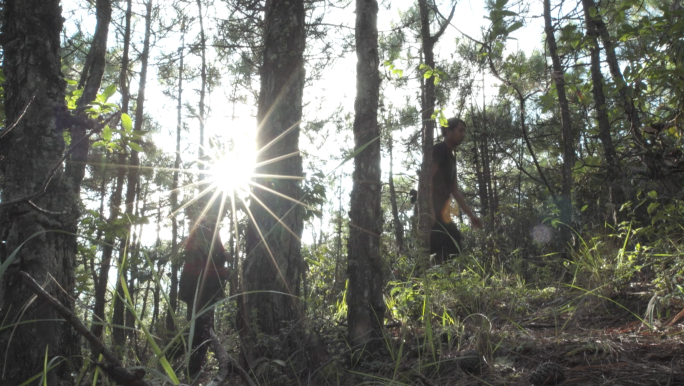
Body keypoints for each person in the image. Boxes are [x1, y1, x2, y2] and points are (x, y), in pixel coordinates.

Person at [178, 215, 229, 376]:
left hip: (199, 287)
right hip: (199, 287)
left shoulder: (204, 232)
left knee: (200, 327)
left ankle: (192, 365)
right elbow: (208, 261)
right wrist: (224, 262)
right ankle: (192, 370)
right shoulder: (203, 234)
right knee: (200, 328)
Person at [430, 117, 483, 263]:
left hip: (441, 212)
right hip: (431, 211)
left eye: (464, 131)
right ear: (448, 131)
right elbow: (426, 178)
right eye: (460, 130)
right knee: (439, 248)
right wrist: (429, 208)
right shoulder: (439, 149)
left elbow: (455, 190)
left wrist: (471, 216)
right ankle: (429, 282)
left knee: (453, 243)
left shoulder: (451, 158)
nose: (463, 134)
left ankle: (440, 282)